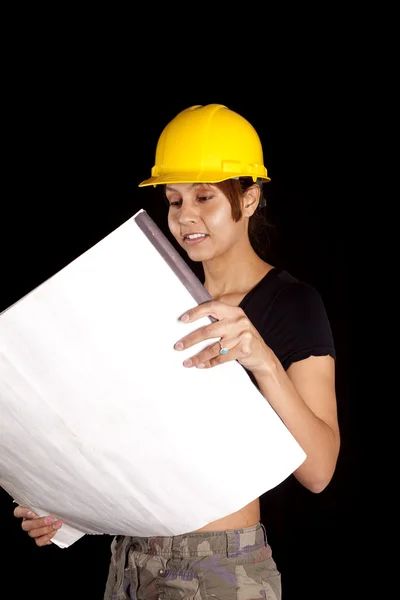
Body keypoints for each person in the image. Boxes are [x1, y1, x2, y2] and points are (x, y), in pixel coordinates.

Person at [13, 104, 340, 600]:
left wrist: (263, 360)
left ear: (248, 199)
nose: (185, 216)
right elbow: (128, 439)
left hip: (219, 567)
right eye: (174, 199)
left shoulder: (290, 304)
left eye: (204, 197)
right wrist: (71, 511)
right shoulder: (154, 299)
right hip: (129, 560)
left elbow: (319, 471)